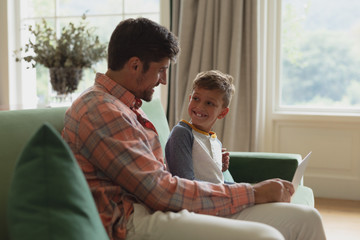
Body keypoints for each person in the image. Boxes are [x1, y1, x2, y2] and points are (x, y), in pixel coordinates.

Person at [62, 17, 326, 240]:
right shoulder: (99, 110)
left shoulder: (126, 105)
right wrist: (254, 192)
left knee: (306, 219)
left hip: (160, 207)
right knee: (264, 237)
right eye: (161, 70)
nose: (164, 80)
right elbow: (160, 192)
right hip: (132, 219)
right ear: (134, 65)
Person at [166, 70, 235, 184]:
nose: (199, 107)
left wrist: (218, 167)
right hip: (197, 197)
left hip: (213, 194)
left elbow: (214, 180)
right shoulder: (182, 133)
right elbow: (185, 182)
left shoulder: (216, 142)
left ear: (222, 113)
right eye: (196, 98)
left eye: (209, 103)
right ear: (190, 99)